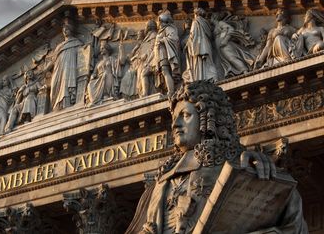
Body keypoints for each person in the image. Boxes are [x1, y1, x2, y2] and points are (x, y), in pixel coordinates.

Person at [126, 80, 308, 234]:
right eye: (174, 118)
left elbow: (291, 219)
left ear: (208, 117)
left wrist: (267, 175)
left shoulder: (240, 164)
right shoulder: (161, 182)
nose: (176, 124)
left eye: (185, 115)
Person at [44, 23, 83, 111]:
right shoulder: (59, 46)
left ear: (71, 30)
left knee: (66, 82)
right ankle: (57, 105)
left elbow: (83, 55)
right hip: (58, 68)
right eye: (63, 30)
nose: (65, 31)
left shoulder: (76, 42)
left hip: (70, 66)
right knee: (56, 84)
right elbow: (53, 60)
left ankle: (67, 103)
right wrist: (46, 69)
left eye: (67, 29)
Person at [211, 13, 255, 77]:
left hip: (225, 45)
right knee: (229, 60)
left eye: (211, 18)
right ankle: (238, 71)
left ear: (213, 18)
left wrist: (225, 40)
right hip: (220, 47)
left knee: (231, 58)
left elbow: (231, 29)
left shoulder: (220, 23)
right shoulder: (215, 27)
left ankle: (245, 70)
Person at [183, 8, 217, 82]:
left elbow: (193, 34)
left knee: (198, 63)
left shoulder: (196, 22)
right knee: (208, 62)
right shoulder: (206, 23)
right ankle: (212, 77)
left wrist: (187, 44)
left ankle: (200, 78)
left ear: (195, 14)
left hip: (198, 46)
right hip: (207, 45)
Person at [154, 10, 180, 96]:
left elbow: (174, 38)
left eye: (158, 21)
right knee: (164, 72)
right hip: (160, 54)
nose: (157, 23)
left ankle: (171, 91)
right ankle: (169, 90)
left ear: (161, 21)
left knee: (165, 71)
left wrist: (162, 40)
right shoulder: (161, 31)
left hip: (165, 54)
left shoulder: (168, 28)